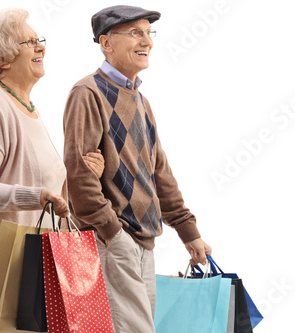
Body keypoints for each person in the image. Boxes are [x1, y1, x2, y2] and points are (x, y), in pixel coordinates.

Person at [0, 9, 103, 333]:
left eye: (39, 40)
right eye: (29, 41)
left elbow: (40, 180)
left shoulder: (26, 107)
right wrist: (37, 196)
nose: (40, 48)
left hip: (28, 274)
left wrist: (81, 176)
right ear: (2, 56)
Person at [63, 5, 212, 332]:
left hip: (143, 241)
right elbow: (78, 175)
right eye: (135, 33)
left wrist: (189, 232)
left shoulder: (141, 102)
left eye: (149, 32)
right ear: (106, 42)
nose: (148, 41)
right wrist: (112, 233)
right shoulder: (88, 93)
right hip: (113, 240)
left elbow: (159, 174)